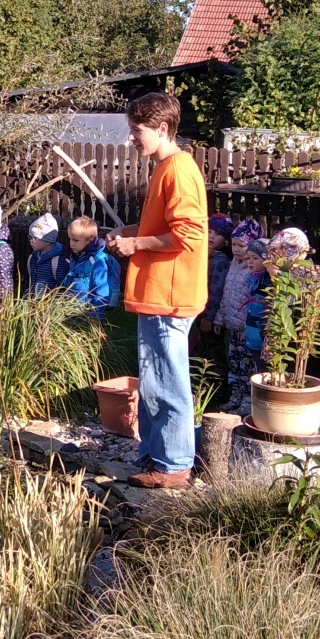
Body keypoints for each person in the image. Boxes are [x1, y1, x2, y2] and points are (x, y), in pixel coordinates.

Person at [106, 91, 208, 489]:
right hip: (157, 295)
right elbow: (162, 228)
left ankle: (174, 466)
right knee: (153, 382)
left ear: (162, 128)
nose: (131, 138)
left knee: (167, 382)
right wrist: (130, 232)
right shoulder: (165, 167)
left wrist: (136, 244)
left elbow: (188, 234)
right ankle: (156, 456)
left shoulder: (178, 170)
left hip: (170, 296)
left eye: (137, 130)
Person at [214, 223, 266, 411]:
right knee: (235, 364)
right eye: (234, 244)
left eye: (241, 245)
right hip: (233, 328)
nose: (236, 249)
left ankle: (248, 401)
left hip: (247, 330)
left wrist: (249, 326)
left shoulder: (253, 271)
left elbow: (255, 302)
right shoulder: (233, 266)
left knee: (248, 366)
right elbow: (226, 295)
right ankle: (235, 396)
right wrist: (220, 318)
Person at [193, 214, 235, 356]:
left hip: (210, 315)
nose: (211, 236)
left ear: (226, 240)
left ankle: (216, 371)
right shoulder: (203, 254)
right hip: (198, 309)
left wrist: (208, 317)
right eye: (209, 231)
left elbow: (216, 291)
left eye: (217, 234)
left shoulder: (221, 261)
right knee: (199, 345)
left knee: (212, 350)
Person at [63, 215, 120, 316]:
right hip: (74, 307)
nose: (71, 244)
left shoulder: (98, 262)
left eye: (76, 240)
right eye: (70, 239)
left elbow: (102, 292)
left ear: (90, 240)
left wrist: (95, 318)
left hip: (88, 311)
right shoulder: (77, 256)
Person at [27, 213, 66, 294]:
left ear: (48, 241)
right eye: (30, 237)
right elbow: (27, 282)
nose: (31, 241)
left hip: (50, 301)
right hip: (32, 300)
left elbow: (62, 286)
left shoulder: (57, 261)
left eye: (36, 238)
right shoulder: (32, 258)